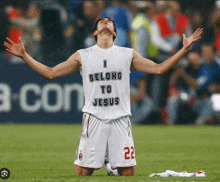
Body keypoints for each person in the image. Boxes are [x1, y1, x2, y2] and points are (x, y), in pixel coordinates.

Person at [4, 17, 203, 176]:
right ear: (96, 32)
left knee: (128, 173)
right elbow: (50, 72)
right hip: (94, 118)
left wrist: (184, 49)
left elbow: (159, 69)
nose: (106, 21)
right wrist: (25, 56)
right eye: (102, 21)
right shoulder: (82, 55)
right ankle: (109, 164)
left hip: (120, 119)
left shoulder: (127, 54)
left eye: (110, 22)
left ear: (115, 33)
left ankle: (112, 167)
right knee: (82, 172)